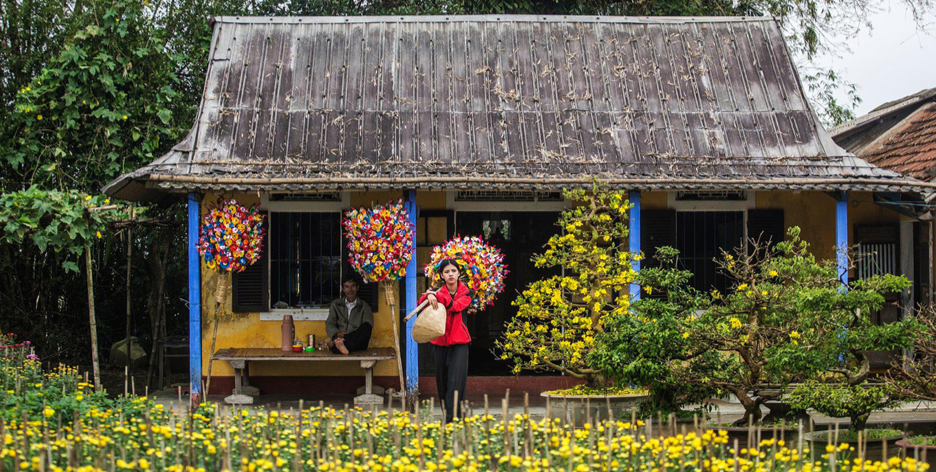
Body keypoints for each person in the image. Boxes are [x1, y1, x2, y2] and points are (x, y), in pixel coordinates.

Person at [418, 259, 473, 423]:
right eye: (447, 272)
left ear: (458, 273)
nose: (450, 274)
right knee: (442, 381)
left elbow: (455, 307)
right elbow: (420, 305)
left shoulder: (466, 293)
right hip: (439, 342)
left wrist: (437, 295)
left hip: (460, 343)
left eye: (453, 271)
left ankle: (453, 419)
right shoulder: (435, 291)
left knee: (456, 380)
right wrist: (428, 295)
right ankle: (448, 415)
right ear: (441, 275)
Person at [325, 278, 374, 355]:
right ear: (343, 289)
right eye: (347, 287)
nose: (350, 290)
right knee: (336, 347)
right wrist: (337, 334)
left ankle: (343, 343)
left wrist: (347, 338)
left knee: (367, 326)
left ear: (357, 288)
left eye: (352, 286)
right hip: (339, 339)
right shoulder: (336, 304)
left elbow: (367, 326)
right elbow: (330, 323)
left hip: (358, 343)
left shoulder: (364, 306)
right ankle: (342, 345)